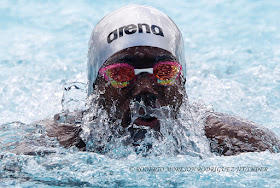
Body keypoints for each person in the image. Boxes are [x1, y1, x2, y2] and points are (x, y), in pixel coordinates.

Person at [41, 5, 279, 156]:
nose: (145, 90)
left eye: (164, 71)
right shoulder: (58, 142)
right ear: (95, 88)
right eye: (122, 73)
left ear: (182, 81)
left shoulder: (229, 139)